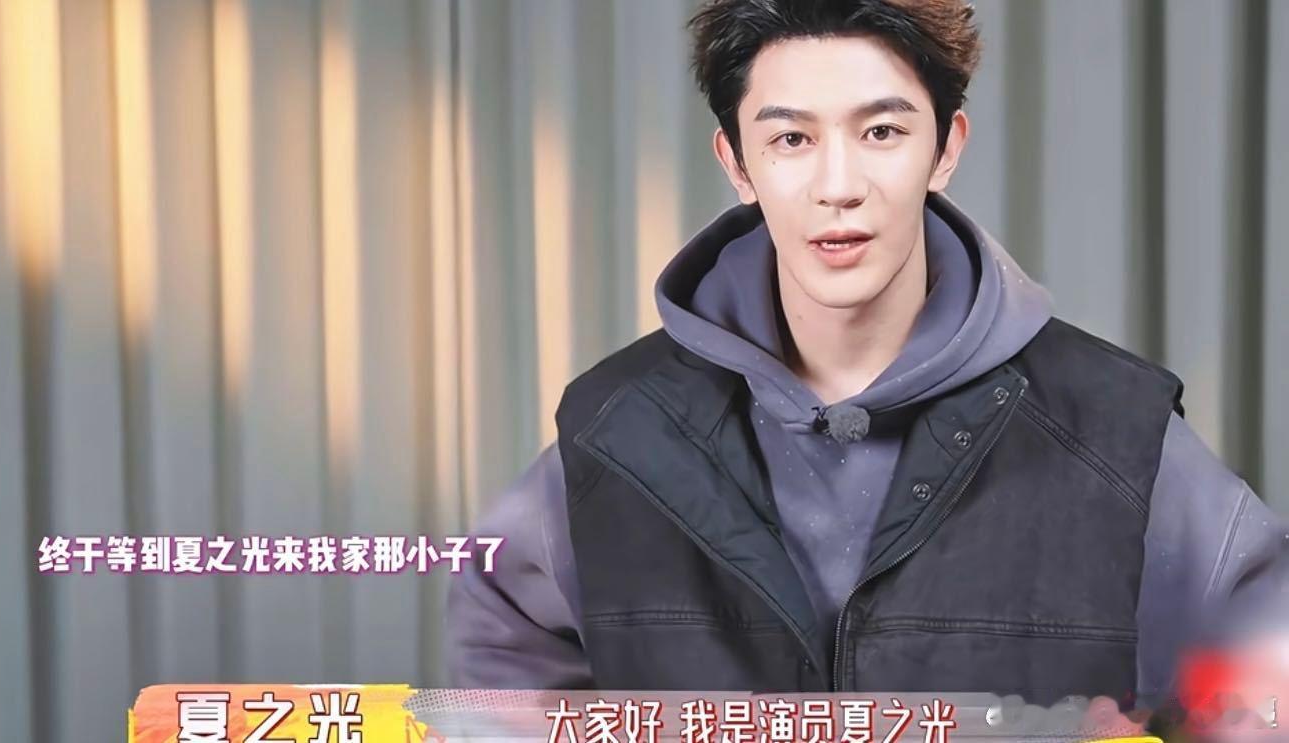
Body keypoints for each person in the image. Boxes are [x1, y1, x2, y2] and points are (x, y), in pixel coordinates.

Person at [445, 0, 1289, 707]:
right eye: (791, 140)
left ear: (946, 148)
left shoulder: (1109, 426)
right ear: (737, 163)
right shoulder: (618, 429)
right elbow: (500, 655)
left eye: (882, 130)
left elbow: (1267, 659)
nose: (838, 185)